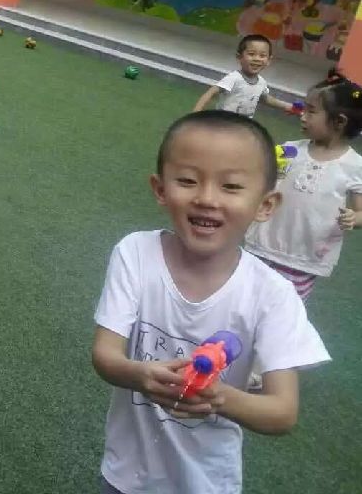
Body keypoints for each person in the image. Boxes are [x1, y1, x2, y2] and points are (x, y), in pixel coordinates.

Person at [91, 110, 329, 494]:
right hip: (124, 475)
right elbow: (105, 355)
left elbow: (282, 412)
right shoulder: (135, 254)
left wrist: (219, 396)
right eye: (187, 180)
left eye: (231, 186)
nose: (206, 198)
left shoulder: (272, 294)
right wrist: (140, 375)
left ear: (265, 205)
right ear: (160, 189)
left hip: (207, 483)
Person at [245, 69, 362, 300]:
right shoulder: (290, 150)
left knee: (285, 308)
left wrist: (353, 218)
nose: (302, 115)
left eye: (311, 111)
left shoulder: (355, 166)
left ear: (339, 121)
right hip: (262, 245)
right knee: (244, 298)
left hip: (303, 259)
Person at [193, 34, 297, 118]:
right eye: (251, 54)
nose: (257, 59)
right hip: (223, 122)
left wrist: (287, 106)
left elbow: (265, 98)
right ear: (239, 57)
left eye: (262, 55)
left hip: (243, 126)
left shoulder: (261, 82)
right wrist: (195, 115)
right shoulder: (234, 78)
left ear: (269, 60)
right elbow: (211, 92)